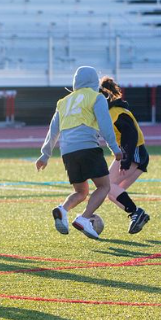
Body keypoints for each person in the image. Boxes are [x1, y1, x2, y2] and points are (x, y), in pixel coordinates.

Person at [36, 66, 124, 240]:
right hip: (88, 147)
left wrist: (45, 155)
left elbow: (53, 130)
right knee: (104, 186)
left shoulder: (63, 102)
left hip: (67, 152)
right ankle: (84, 218)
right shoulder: (96, 97)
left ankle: (62, 209)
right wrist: (114, 148)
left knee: (81, 192)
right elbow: (105, 124)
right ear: (94, 82)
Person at [99, 76, 150, 234]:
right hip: (136, 154)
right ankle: (136, 214)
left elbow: (131, 135)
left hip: (134, 153)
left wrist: (126, 161)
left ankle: (136, 212)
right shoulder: (114, 111)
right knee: (112, 193)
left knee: (106, 186)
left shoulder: (115, 113)